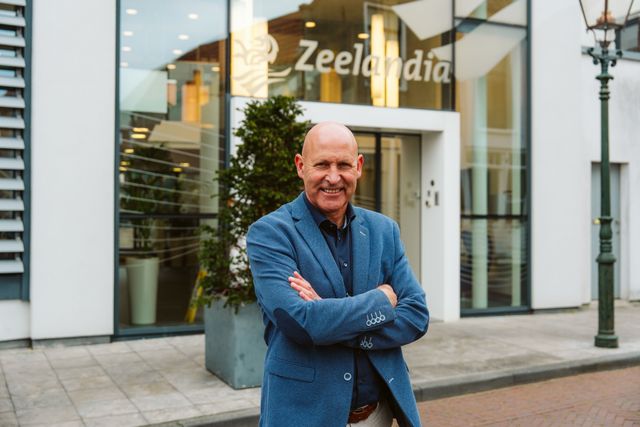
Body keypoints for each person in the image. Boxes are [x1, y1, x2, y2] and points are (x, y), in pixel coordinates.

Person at [246, 121, 429, 427]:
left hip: (377, 415)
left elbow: (417, 315)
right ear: (301, 166)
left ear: (358, 166)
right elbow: (301, 323)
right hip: (304, 415)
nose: (333, 177)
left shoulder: (384, 230)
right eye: (322, 165)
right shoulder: (270, 233)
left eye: (343, 164)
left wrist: (329, 320)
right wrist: (381, 300)